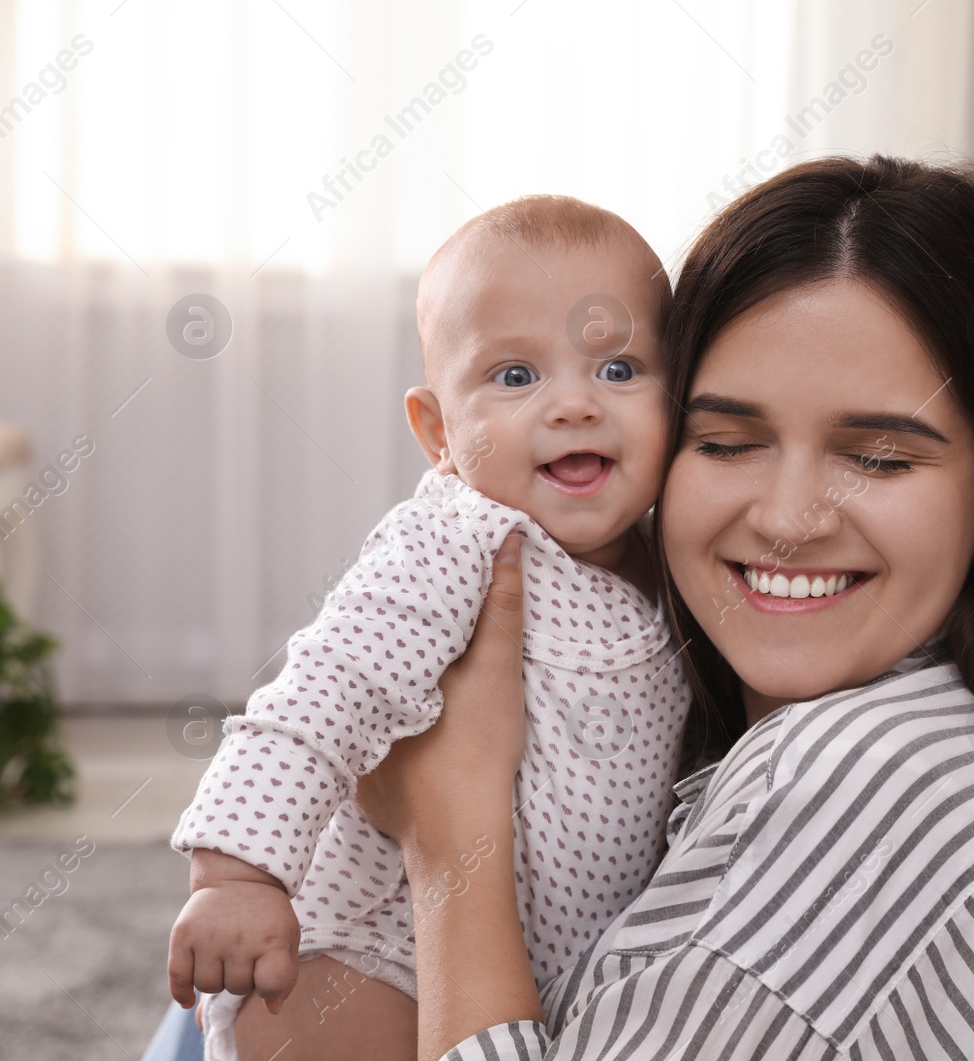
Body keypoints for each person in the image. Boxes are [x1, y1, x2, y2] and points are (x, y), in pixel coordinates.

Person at [357, 155, 974, 1060]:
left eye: (880, 458)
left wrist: (450, 841)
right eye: (727, 441)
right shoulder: (797, 741)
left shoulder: (868, 784)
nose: (787, 519)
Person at [165, 195, 691, 1061]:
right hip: (379, 942)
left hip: (543, 970)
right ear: (438, 432)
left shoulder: (672, 557)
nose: (574, 405)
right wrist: (238, 872)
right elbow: (328, 687)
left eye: (620, 369)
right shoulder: (459, 541)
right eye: (516, 377)